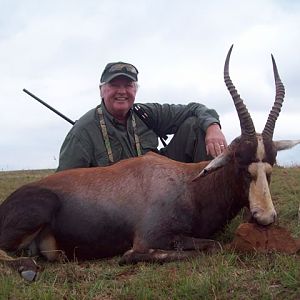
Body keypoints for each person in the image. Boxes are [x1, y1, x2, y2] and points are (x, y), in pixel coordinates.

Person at [57, 62, 227, 171]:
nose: (122, 91)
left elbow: (195, 108)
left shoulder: (146, 113)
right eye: (114, 85)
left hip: (160, 181)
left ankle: (206, 200)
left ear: (135, 90)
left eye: (128, 85)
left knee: (195, 124)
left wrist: (213, 127)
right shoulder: (82, 132)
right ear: (102, 90)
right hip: (119, 200)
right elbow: (65, 182)